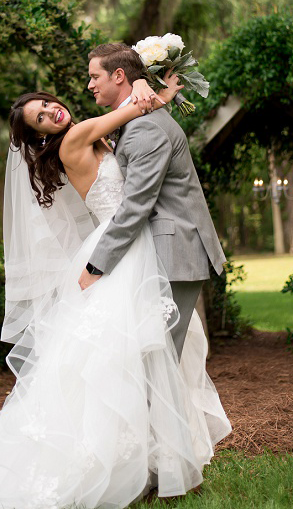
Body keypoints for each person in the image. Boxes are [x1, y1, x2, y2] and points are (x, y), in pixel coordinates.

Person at [0, 70, 230, 509]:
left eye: (46, 106)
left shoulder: (86, 134)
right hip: (120, 249)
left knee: (136, 360)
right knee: (132, 361)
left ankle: (154, 462)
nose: (51, 113)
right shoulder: (77, 136)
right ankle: (145, 465)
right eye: (41, 119)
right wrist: (148, 88)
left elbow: (132, 119)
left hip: (130, 245)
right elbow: (134, 108)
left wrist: (154, 91)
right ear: (42, 136)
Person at [82, 43, 226, 358]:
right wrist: (141, 82)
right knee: (146, 361)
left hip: (173, 252)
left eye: (95, 77)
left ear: (118, 76)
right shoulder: (139, 118)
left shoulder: (143, 129)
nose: (90, 85)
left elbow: (136, 206)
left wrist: (96, 266)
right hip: (159, 252)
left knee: (155, 364)